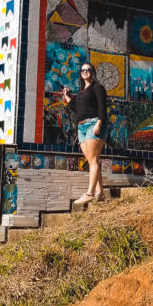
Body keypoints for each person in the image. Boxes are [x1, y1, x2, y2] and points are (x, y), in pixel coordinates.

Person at [63, 63, 108, 205]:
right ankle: (100, 193)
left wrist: (99, 123)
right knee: (92, 160)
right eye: (83, 70)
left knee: (93, 160)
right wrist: (67, 96)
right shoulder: (82, 92)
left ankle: (89, 193)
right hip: (81, 127)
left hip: (93, 124)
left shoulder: (97, 88)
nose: (85, 72)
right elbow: (76, 108)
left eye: (88, 69)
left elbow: (102, 106)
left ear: (92, 72)